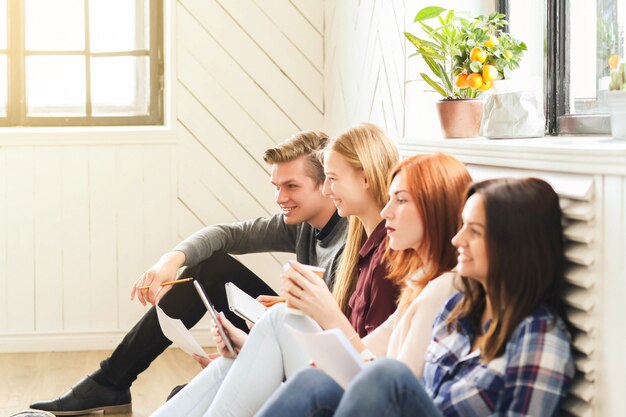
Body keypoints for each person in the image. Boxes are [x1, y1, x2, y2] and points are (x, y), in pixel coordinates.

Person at [29, 131, 349, 416]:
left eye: (291, 186)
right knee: (211, 268)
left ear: (326, 184)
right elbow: (226, 234)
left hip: (320, 358)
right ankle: (110, 380)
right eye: (276, 186)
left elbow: (339, 332)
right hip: (295, 334)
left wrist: (263, 335)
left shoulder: (350, 241)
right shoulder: (304, 225)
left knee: (179, 397)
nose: (280, 198)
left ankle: (110, 383)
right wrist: (170, 260)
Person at [256, 177, 575, 417]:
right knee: (315, 381)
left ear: (514, 247)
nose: (457, 238)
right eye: (462, 225)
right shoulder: (458, 310)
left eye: (474, 231)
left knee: (388, 375)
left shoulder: (539, 337)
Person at [149, 123, 402, 416]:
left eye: (332, 179)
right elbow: (230, 234)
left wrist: (296, 323)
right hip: (336, 370)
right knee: (231, 361)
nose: (327, 189)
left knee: (278, 320)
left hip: (353, 391)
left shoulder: (385, 256)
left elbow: (369, 365)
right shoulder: (358, 241)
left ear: (366, 179)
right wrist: (256, 346)